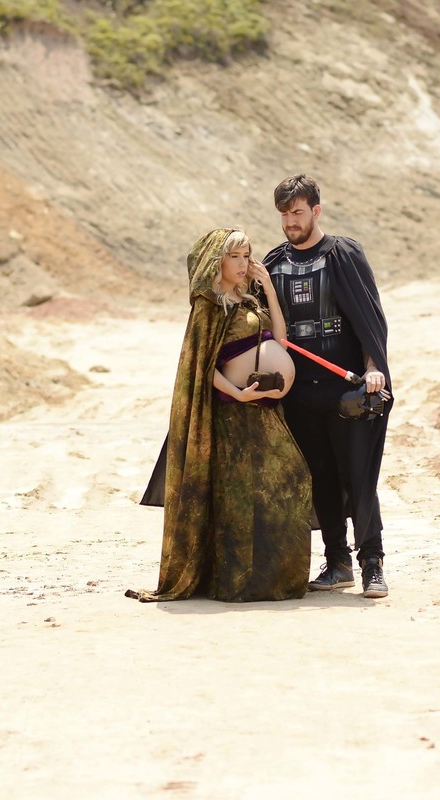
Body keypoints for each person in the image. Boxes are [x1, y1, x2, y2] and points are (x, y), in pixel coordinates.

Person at [127, 228, 312, 602]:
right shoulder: (208, 305)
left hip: (264, 412)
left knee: (290, 480)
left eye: (247, 256)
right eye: (235, 257)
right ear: (218, 261)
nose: (243, 264)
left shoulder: (250, 299)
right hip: (233, 415)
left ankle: (274, 577)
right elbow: (200, 366)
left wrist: (268, 289)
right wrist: (238, 393)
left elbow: (280, 340)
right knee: (239, 497)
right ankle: (237, 581)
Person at [262, 175, 393, 599]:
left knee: (359, 478)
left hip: (346, 390)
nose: (291, 222)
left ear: (316, 211)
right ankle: (337, 563)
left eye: (298, 212)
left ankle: (372, 564)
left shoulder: (343, 254)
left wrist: (374, 368)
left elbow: (370, 319)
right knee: (319, 478)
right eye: (284, 214)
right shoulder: (273, 263)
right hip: (300, 393)